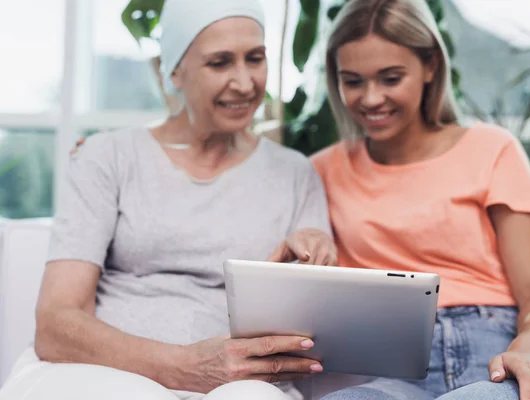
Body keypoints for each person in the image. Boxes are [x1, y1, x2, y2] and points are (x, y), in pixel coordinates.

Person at [0, 0, 337, 399]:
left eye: (255, 58)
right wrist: (184, 367)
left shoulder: (296, 174)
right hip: (105, 370)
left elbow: (309, 335)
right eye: (220, 63)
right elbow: (55, 323)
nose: (246, 83)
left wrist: (311, 270)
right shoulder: (107, 156)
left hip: (238, 383)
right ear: (174, 68)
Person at [311, 0, 530, 399]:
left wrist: (527, 350)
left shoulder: (492, 149)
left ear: (431, 66)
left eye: (390, 78)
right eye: (353, 81)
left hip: (498, 350)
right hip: (393, 372)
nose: (370, 99)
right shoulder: (321, 170)